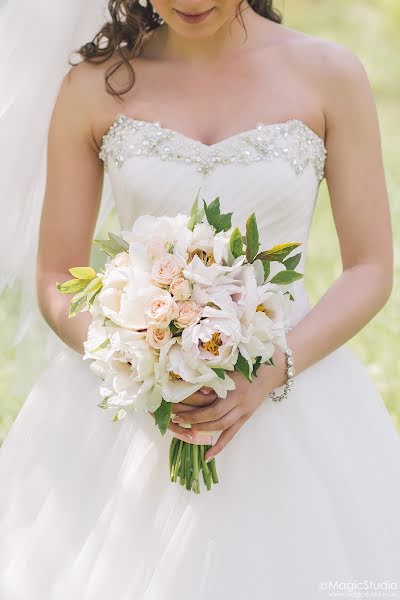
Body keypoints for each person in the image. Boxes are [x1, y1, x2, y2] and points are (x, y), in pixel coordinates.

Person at [1, 1, 399, 598]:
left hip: (291, 381)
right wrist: (138, 362)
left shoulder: (329, 74)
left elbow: (369, 267)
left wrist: (270, 370)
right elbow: (58, 275)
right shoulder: (93, 86)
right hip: (133, 400)